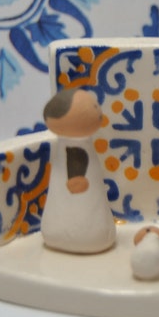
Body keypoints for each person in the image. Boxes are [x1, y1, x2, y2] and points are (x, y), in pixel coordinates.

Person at [41, 89, 116, 253]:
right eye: (93, 107)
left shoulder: (68, 147)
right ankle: (83, 233)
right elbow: (76, 159)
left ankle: (61, 230)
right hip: (89, 228)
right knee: (81, 209)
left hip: (64, 224)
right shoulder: (74, 149)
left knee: (66, 204)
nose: (98, 111)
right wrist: (76, 178)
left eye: (95, 106)